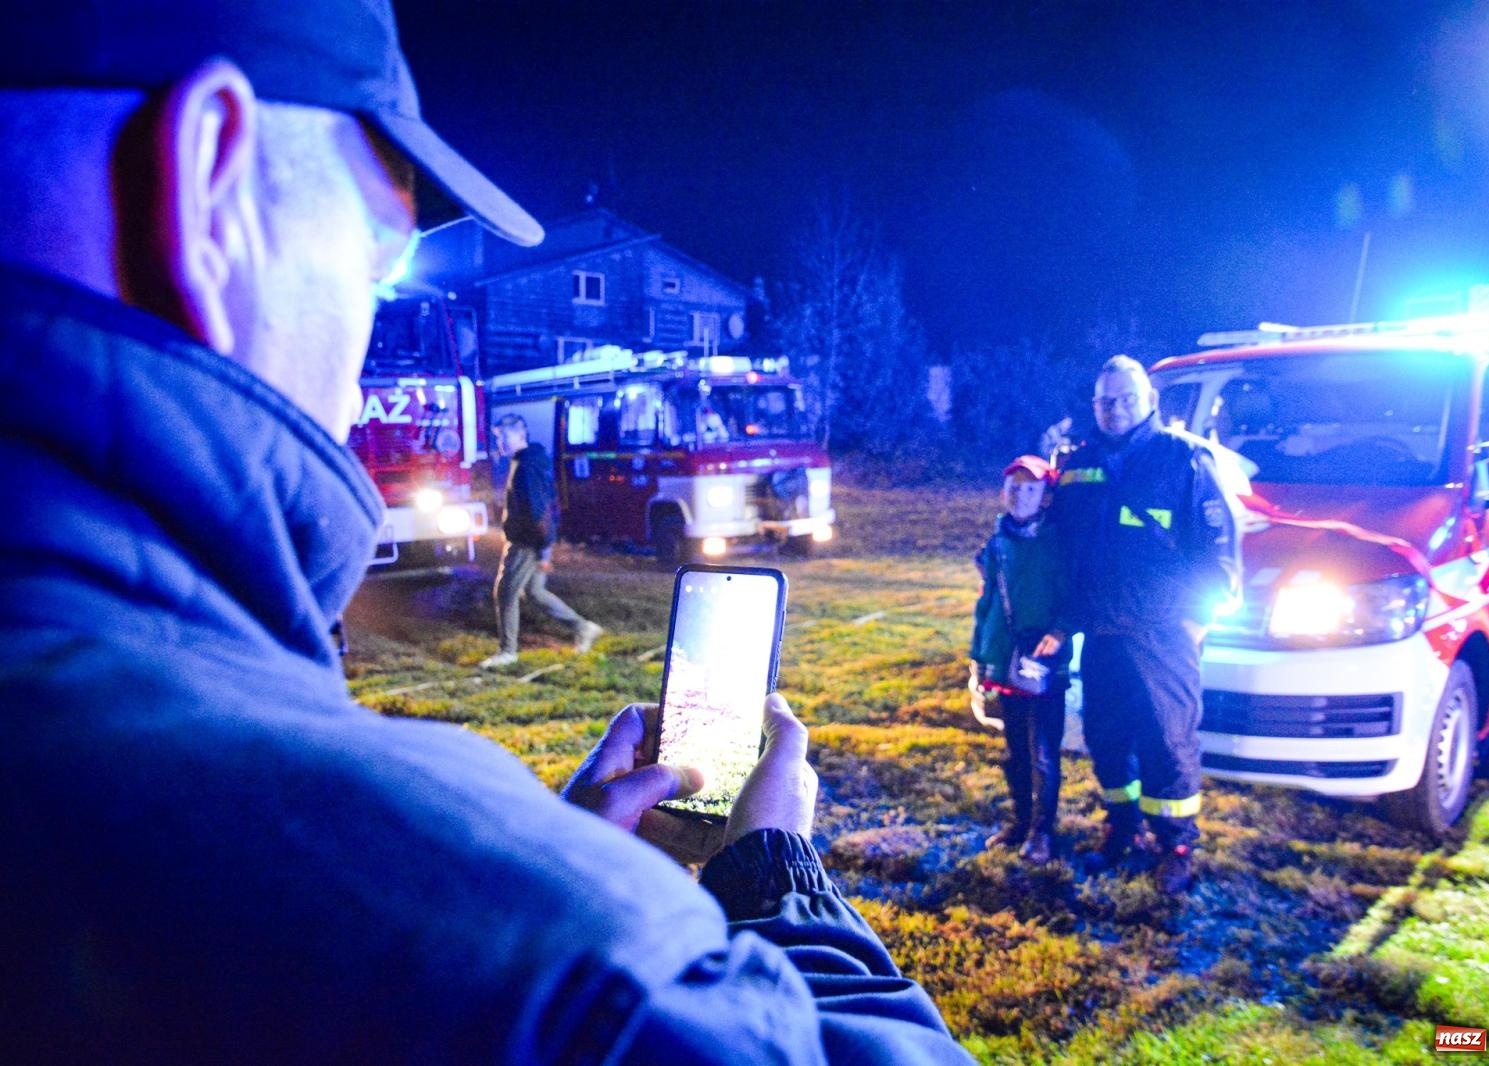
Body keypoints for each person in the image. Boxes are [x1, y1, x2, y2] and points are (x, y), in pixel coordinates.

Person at [0, 3, 970, 1062]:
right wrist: (772, 872)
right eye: (373, 274)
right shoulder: (567, 972)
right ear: (209, 188)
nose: (357, 367)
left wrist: (546, 859)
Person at [1049, 355, 1240, 895]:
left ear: (1150, 400)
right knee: (1105, 737)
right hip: (1104, 632)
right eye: (1105, 401)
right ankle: (1124, 829)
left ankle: (1175, 845)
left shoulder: (1185, 460)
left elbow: (1219, 550)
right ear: (1094, 406)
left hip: (1164, 634)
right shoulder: (1080, 463)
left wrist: (1196, 619)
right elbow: (1061, 541)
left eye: (1126, 399)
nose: (1114, 410)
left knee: (1168, 739)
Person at [969, 455, 1072, 865]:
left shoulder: (1060, 543)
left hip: (1045, 662)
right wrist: (980, 655)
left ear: (1045, 496)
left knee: (1043, 750)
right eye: (1013, 487)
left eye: (1029, 488)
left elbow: (1074, 594)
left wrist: (1061, 631)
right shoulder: (997, 543)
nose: (1020, 495)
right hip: (1006, 660)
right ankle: (1019, 820)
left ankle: (1042, 831)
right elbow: (989, 603)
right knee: (1015, 749)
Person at [480, 413, 603, 667]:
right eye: (497, 438)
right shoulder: (527, 461)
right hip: (535, 540)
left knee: (505, 592)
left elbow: (537, 510)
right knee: (535, 592)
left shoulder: (526, 467)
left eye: (504, 436)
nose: (500, 442)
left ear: (520, 435)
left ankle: (507, 652)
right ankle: (583, 627)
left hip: (526, 542)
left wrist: (544, 548)